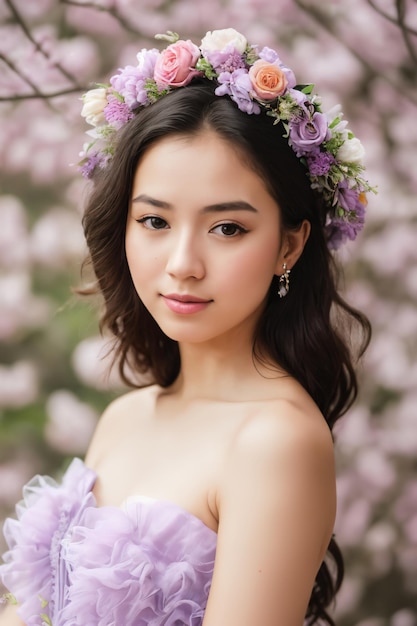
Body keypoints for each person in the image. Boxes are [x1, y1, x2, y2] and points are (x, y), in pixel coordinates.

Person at [0, 27, 372, 626]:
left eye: (227, 228)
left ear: (290, 245)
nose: (182, 265)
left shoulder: (276, 441)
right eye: (154, 221)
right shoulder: (126, 416)